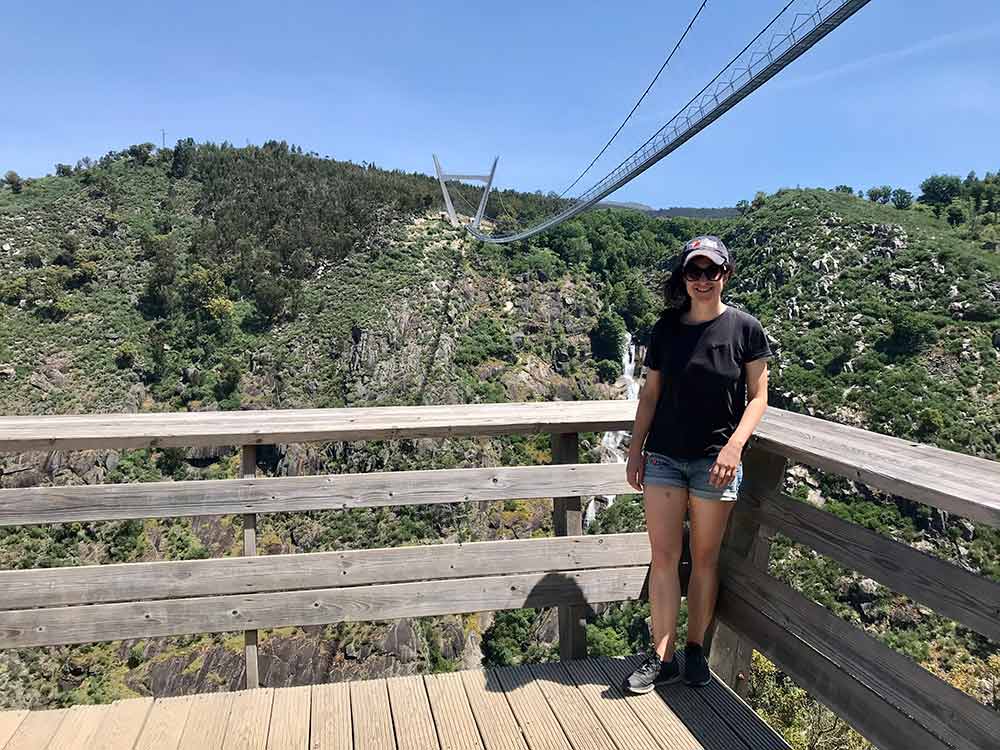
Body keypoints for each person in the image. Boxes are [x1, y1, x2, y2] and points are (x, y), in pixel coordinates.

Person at [623, 235, 771, 693]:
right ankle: (662, 656)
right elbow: (650, 395)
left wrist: (734, 446)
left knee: (704, 561)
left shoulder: (746, 329)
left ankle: (694, 651)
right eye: (694, 271)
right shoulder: (666, 328)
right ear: (683, 277)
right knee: (664, 559)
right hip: (664, 458)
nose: (703, 280)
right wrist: (635, 448)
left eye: (711, 271)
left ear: (725, 275)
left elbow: (759, 397)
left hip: (716, 463)